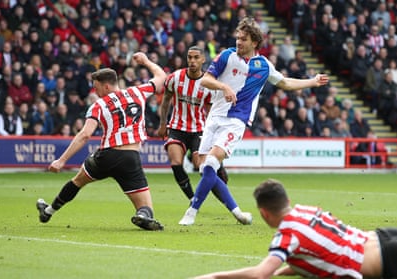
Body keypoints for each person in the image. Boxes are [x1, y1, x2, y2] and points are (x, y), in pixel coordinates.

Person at [178, 17, 329, 226]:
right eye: (238, 38)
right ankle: (238, 212)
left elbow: (285, 82)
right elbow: (205, 79)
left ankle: (191, 211)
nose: (238, 42)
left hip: (236, 120)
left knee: (212, 162)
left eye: (243, 39)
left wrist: (312, 81)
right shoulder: (227, 56)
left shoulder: (264, 66)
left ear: (254, 42)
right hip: (214, 117)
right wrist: (224, 87)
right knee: (205, 169)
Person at [36, 52, 166, 231]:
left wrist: (62, 160)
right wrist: (145, 61)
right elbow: (161, 77)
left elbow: (85, 134)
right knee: (146, 209)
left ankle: (48, 211)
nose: (94, 91)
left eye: (96, 87)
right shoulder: (138, 92)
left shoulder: (99, 105)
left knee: (77, 182)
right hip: (130, 157)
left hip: (105, 156)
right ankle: (142, 216)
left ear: (106, 86)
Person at [193, 178, 393, 279]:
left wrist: (215, 276)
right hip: (382, 236)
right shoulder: (307, 210)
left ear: (264, 213)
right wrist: (282, 272)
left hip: (387, 259)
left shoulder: (287, 236)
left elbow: (259, 274)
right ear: (287, 200)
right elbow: (317, 252)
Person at [157, 46, 228, 201]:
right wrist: (163, 124)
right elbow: (166, 101)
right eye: (189, 57)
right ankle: (192, 198)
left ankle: (219, 170)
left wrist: (215, 132)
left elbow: (211, 111)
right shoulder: (175, 78)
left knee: (200, 166)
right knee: (175, 162)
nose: (192, 61)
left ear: (203, 60)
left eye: (196, 57)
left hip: (199, 129)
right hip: (177, 127)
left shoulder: (208, 84)